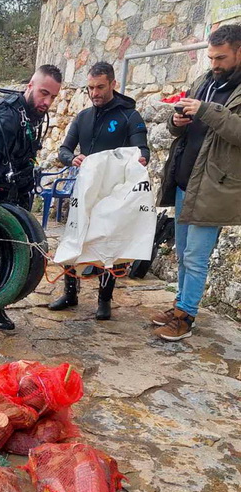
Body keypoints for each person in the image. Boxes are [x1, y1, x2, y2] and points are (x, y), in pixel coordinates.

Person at [152, 23, 241, 341]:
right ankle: (179, 306)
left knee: (196, 256)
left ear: (239, 52)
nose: (214, 64)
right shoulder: (204, 80)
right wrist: (177, 122)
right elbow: (184, 127)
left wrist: (206, 110)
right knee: (184, 251)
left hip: (214, 188)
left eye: (221, 58)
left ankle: (186, 317)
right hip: (184, 181)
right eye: (211, 57)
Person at [0, 64, 63, 330]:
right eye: (43, 93)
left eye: (53, 97)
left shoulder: (33, 114)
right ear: (30, 85)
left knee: (7, 248)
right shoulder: (7, 114)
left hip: (16, 190)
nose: (47, 102)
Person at [48, 61, 150, 320]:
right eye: (91, 88)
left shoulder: (129, 116)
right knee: (73, 238)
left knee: (108, 245)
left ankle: (104, 300)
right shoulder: (83, 117)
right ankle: (70, 294)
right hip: (84, 191)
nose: (95, 93)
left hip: (114, 195)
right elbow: (64, 150)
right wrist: (73, 158)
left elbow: (143, 151)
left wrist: (140, 160)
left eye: (100, 87)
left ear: (113, 84)